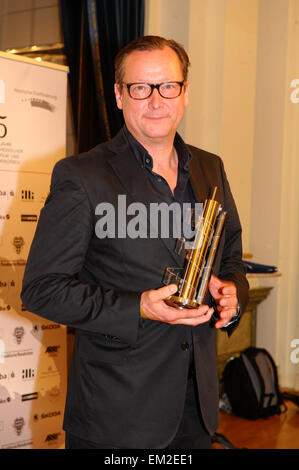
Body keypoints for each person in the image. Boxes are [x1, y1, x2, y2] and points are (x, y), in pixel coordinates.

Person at [21, 35, 249, 449]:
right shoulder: (81, 176)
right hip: (117, 415)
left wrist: (233, 290)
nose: (156, 101)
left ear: (185, 92)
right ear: (119, 95)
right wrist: (138, 307)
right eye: (140, 88)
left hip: (196, 408)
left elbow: (229, 253)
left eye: (168, 86)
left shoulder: (210, 167)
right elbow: (42, 289)